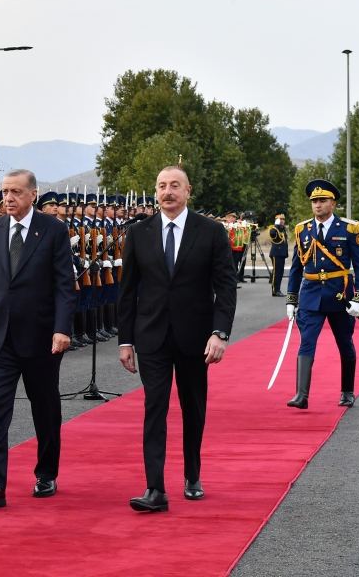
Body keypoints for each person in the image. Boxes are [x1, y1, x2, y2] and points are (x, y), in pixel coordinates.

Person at [118, 165, 237, 513]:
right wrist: (125, 340)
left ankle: (192, 474)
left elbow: (225, 286)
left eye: (174, 186)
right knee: (154, 406)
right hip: (151, 336)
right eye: (161, 186)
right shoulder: (139, 233)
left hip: (195, 338)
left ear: (188, 190)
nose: (167, 192)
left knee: (192, 407)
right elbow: (127, 292)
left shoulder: (211, 232)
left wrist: (220, 333)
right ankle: (155, 487)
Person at [0, 169, 76, 509]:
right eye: (4, 192)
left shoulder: (53, 230)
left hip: (42, 338)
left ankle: (46, 473)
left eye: (15, 192)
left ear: (33, 194)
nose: (8, 198)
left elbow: (63, 285)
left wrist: (62, 329)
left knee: (44, 408)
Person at [284, 179, 359, 409]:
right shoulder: (303, 230)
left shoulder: (349, 229)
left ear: (333, 203)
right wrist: (291, 299)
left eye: (322, 201)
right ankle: (301, 395)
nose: (317, 205)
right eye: (314, 201)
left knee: (344, 342)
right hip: (311, 295)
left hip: (340, 295)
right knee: (307, 342)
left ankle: (347, 391)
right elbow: (296, 268)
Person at [268, 214, 288, 297]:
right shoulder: (274, 229)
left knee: (280, 272)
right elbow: (273, 234)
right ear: (277, 220)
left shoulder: (282, 229)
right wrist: (276, 225)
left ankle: (277, 289)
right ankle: (275, 290)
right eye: (280, 219)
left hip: (281, 254)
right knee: (277, 273)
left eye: (283, 219)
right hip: (276, 253)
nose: (282, 220)